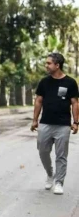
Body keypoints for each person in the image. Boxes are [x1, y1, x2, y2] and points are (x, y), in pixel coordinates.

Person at [31, 52, 79, 195]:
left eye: (48, 63)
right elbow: (39, 101)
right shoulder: (44, 82)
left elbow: (75, 103)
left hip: (63, 125)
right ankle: (50, 173)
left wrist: (76, 122)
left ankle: (59, 182)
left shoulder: (70, 82)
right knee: (43, 151)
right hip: (45, 123)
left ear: (57, 65)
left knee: (61, 155)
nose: (46, 65)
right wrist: (35, 120)